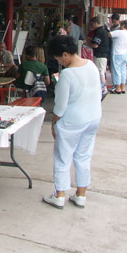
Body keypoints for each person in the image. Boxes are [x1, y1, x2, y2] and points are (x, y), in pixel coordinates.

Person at [42, 35, 102, 209]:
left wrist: (54, 123)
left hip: (72, 122)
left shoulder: (67, 74)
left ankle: (59, 195)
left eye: (58, 58)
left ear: (65, 55)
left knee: (63, 157)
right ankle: (81, 195)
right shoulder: (91, 65)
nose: (59, 61)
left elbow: (60, 106)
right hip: (93, 118)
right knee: (83, 156)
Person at [86, 17, 111, 95]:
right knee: (102, 72)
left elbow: (95, 45)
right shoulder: (104, 30)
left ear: (96, 22)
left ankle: (103, 89)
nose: (91, 26)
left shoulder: (99, 32)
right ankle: (103, 88)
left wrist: (87, 43)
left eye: (92, 24)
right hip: (104, 54)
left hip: (100, 55)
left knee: (100, 72)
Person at [109, 19, 127, 94]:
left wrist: (111, 27)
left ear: (123, 25)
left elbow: (109, 34)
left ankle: (117, 88)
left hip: (117, 53)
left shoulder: (120, 32)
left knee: (116, 71)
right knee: (123, 71)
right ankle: (123, 87)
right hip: (124, 53)